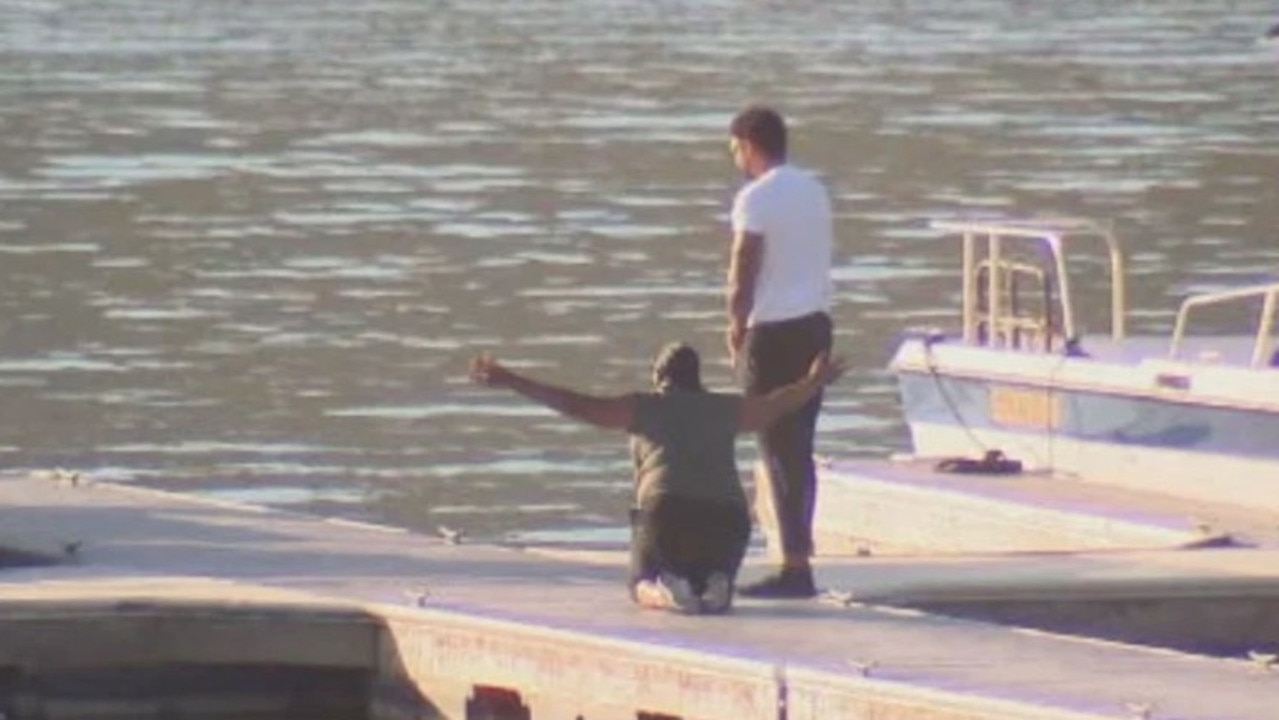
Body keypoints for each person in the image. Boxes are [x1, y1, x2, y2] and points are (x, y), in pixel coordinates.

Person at [469, 343, 844, 615]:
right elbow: (780, 404)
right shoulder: (727, 409)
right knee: (711, 569)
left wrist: (511, 379)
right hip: (728, 523)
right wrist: (815, 380)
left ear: (660, 379)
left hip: (668, 515)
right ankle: (717, 582)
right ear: (697, 380)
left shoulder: (645, 406)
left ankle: (663, 591)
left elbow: (581, 406)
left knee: (639, 584)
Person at [724, 105, 835, 599]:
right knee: (800, 450)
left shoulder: (755, 198)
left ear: (749, 144)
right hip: (815, 326)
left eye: (735, 150)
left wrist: (735, 324)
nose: (735, 160)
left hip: (771, 332)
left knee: (774, 446)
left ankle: (793, 569)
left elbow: (743, 266)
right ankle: (798, 559)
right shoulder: (815, 190)